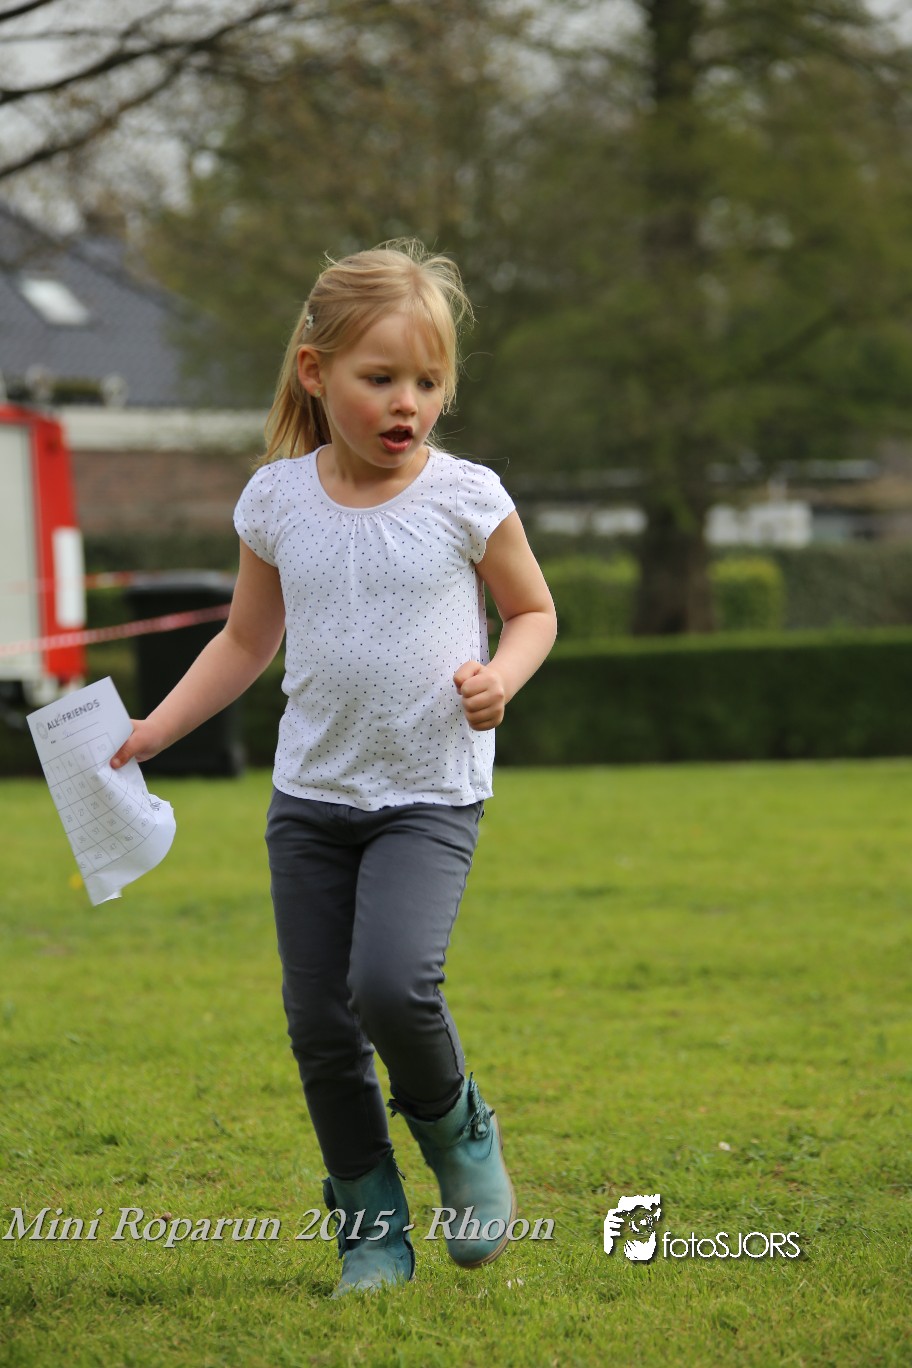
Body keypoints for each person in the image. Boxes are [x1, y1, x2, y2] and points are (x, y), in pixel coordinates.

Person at [111, 239, 557, 1297]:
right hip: (310, 800)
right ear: (316, 372)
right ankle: (371, 1229)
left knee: (391, 986)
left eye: (429, 382)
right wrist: (156, 728)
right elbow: (244, 640)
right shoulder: (275, 502)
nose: (409, 403)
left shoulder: (466, 496)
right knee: (319, 1025)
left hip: (429, 796)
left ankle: (458, 1133)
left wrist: (502, 677)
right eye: (382, 377)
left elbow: (534, 611)